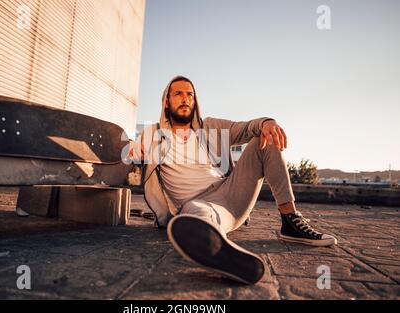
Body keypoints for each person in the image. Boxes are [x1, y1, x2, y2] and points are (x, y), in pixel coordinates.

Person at [127, 75, 337, 284]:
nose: (185, 98)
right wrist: (132, 148)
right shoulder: (153, 133)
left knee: (264, 139)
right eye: (178, 94)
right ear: (166, 101)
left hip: (231, 192)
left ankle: (290, 221)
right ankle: (218, 251)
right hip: (199, 204)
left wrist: (267, 122)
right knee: (198, 215)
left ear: (195, 100)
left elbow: (246, 128)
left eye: (189, 94)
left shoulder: (210, 126)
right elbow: (127, 153)